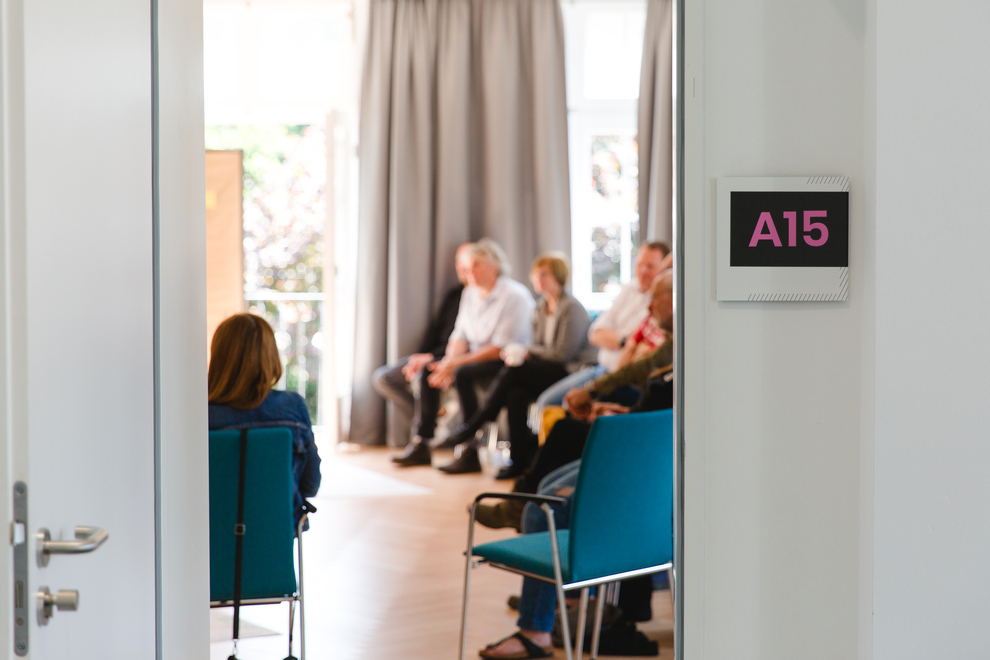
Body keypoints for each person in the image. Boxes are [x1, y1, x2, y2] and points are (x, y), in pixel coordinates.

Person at [475, 271, 674, 531]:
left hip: (637, 441)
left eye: (656, 298)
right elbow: (603, 338)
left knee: (562, 429)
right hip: (624, 407)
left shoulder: (679, 350)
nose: (649, 306)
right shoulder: (674, 342)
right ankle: (519, 495)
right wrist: (616, 410)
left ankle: (518, 498)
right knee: (521, 395)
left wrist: (609, 407)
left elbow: (562, 354)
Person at [437, 252, 597, 477]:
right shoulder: (541, 307)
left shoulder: (571, 308)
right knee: (515, 394)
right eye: (537, 275)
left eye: (545, 274)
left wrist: (526, 351)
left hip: (571, 372)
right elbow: (541, 347)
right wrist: (529, 351)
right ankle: (519, 461)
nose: (539, 279)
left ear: (558, 277)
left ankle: (476, 424)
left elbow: (562, 354)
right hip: (549, 367)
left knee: (515, 370)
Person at [391, 239, 535, 467]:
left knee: (463, 373)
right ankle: (423, 443)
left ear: (494, 265)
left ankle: (468, 449)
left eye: (476, 265)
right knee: (429, 371)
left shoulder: (514, 296)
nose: (469, 272)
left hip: (505, 361)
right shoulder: (469, 293)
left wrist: (455, 365)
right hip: (473, 357)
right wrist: (448, 362)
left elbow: (499, 347)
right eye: (467, 267)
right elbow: (459, 335)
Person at [208, 313, 322, 525]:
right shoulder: (292, 408)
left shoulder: (201, 416)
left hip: (210, 535)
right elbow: (311, 485)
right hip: (277, 535)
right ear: (270, 357)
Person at [534, 241, 670, 411]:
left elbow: (633, 361)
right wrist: (624, 340)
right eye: (640, 264)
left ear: (663, 268)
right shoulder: (629, 288)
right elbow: (595, 333)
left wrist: (620, 342)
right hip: (599, 368)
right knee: (544, 402)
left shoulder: (664, 305)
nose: (643, 271)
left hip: (620, 380)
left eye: (650, 266)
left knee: (561, 407)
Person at [371, 242, 473, 447]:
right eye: (459, 263)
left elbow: (469, 341)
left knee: (425, 374)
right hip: (433, 355)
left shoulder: (480, 299)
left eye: (468, 264)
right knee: (384, 378)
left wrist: (433, 358)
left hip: (455, 359)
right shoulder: (454, 295)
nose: (462, 269)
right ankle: (432, 418)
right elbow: (434, 331)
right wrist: (418, 357)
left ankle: (424, 438)